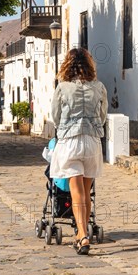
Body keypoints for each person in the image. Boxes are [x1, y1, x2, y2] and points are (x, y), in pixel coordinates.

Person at [50, 48, 107, 255]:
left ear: (68, 65)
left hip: (71, 141)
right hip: (92, 142)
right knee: (86, 192)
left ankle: (82, 235)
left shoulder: (63, 87)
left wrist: (65, 127)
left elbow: (55, 116)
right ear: (89, 64)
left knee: (76, 193)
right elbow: (102, 116)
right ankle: (82, 233)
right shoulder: (99, 87)